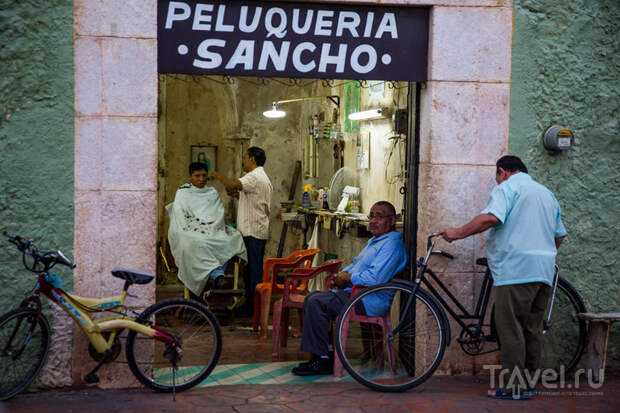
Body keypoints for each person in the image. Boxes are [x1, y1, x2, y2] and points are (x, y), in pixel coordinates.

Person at [438, 155, 566, 400]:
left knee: (511, 330)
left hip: (515, 271)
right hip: (543, 270)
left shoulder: (508, 188)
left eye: (497, 178)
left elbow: (490, 217)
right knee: (532, 329)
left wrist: (457, 233)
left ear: (502, 172)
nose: (497, 183)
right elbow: (559, 235)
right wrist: (540, 253)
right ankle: (528, 384)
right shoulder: (545, 193)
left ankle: (513, 388)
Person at [291, 201, 408, 376]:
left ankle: (323, 359)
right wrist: (341, 276)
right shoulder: (375, 242)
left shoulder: (392, 246)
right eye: (372, 216)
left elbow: (375, 278)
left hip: (368, 300)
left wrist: (348, 278)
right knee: (313, 297)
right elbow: (356, 265)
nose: (374, 220)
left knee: (316, 301)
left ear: (392, 221)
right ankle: (324, 355)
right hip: (356, 294)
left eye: (380, 217)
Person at [166, 162, 247, 297]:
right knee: (194, 241)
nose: (201, 179)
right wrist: (196, 229)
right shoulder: (182, 192)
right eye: (197, 176)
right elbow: (181, 216)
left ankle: (214, 275)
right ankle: (217, 274)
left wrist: (211, 227)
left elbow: (217, 214)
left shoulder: (212, 192)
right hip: (189, 229)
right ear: (190, 176)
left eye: (204, 175)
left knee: (231, 239)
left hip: (212, 227)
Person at [210, 147, 273, 316]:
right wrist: (238, 196)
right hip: (253, 229)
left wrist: (217, 176)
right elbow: (252, 199)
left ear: (252, 159)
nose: (243, 161)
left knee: (254, 271)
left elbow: (233, 184)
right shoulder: (260, 177)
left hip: (253, 231)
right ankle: (251, 305)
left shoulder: (254, 176)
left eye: (245, 157)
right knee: (250, 270)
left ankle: (255, 308)